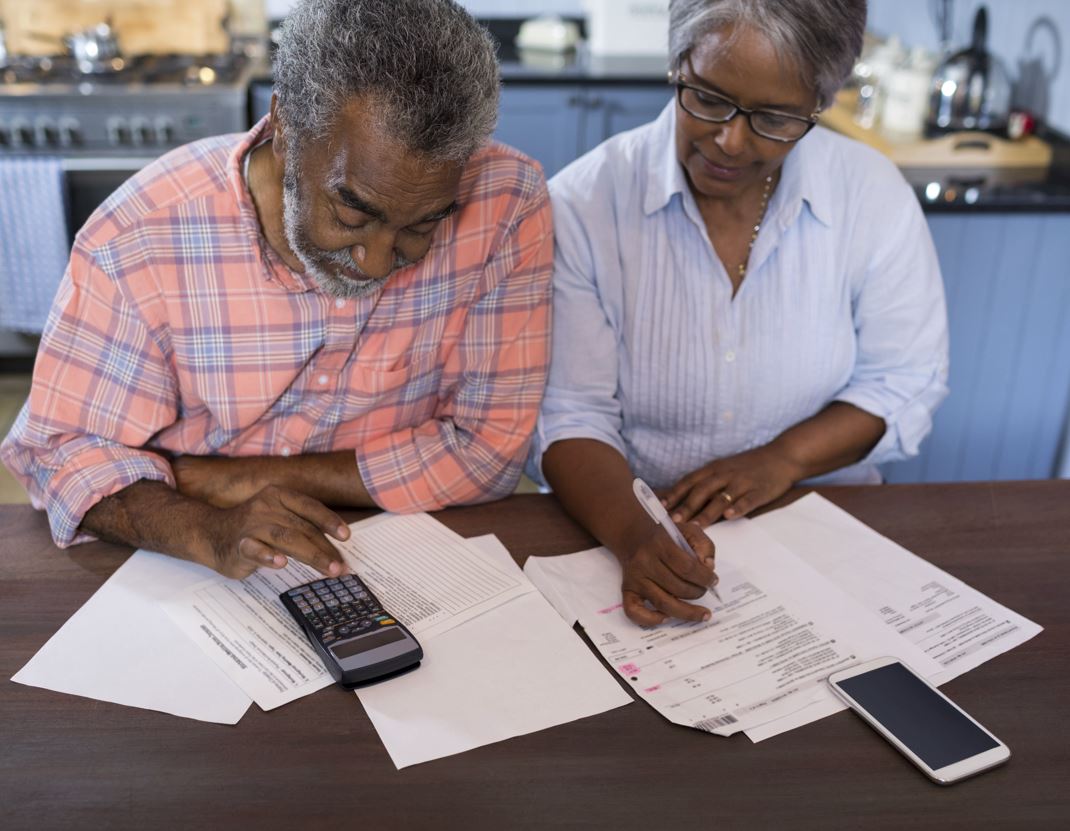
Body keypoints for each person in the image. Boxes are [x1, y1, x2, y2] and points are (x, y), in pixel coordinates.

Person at [1, 0, 553, 580]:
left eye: (422, 225)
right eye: (352, 211)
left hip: (404, 556)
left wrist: (232, 478)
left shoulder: (507, 203)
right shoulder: (142, 234)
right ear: (285, 128)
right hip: (186, 560)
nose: (375, 261)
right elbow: (63, 453)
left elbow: (488, 452)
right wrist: (203, 526)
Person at [529, 0, 949, 626]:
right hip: (634, 525)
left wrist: (783, 460)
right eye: (708, 97)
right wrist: (635, 535)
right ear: (678, 64)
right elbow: (571, 415)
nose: (729, 140)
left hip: (824, 524)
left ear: (820, 103)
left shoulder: (870, 193)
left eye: (775, 119)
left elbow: (904, 380)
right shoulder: (585, 205)